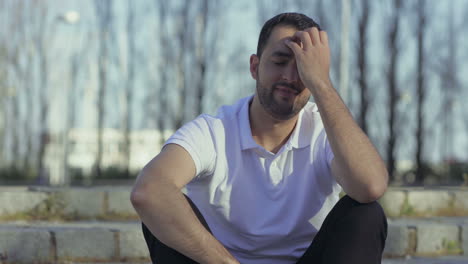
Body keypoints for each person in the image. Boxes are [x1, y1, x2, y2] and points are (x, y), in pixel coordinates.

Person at [131, 12, 388, 264]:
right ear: (254, 66)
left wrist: (321, 84)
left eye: (303, 67)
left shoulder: (325, 131)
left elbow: (371, 186)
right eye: (280, 61)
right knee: (161, 210)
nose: (290, 76)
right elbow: (149, 191)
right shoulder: (214, 130)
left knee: (365, 213)